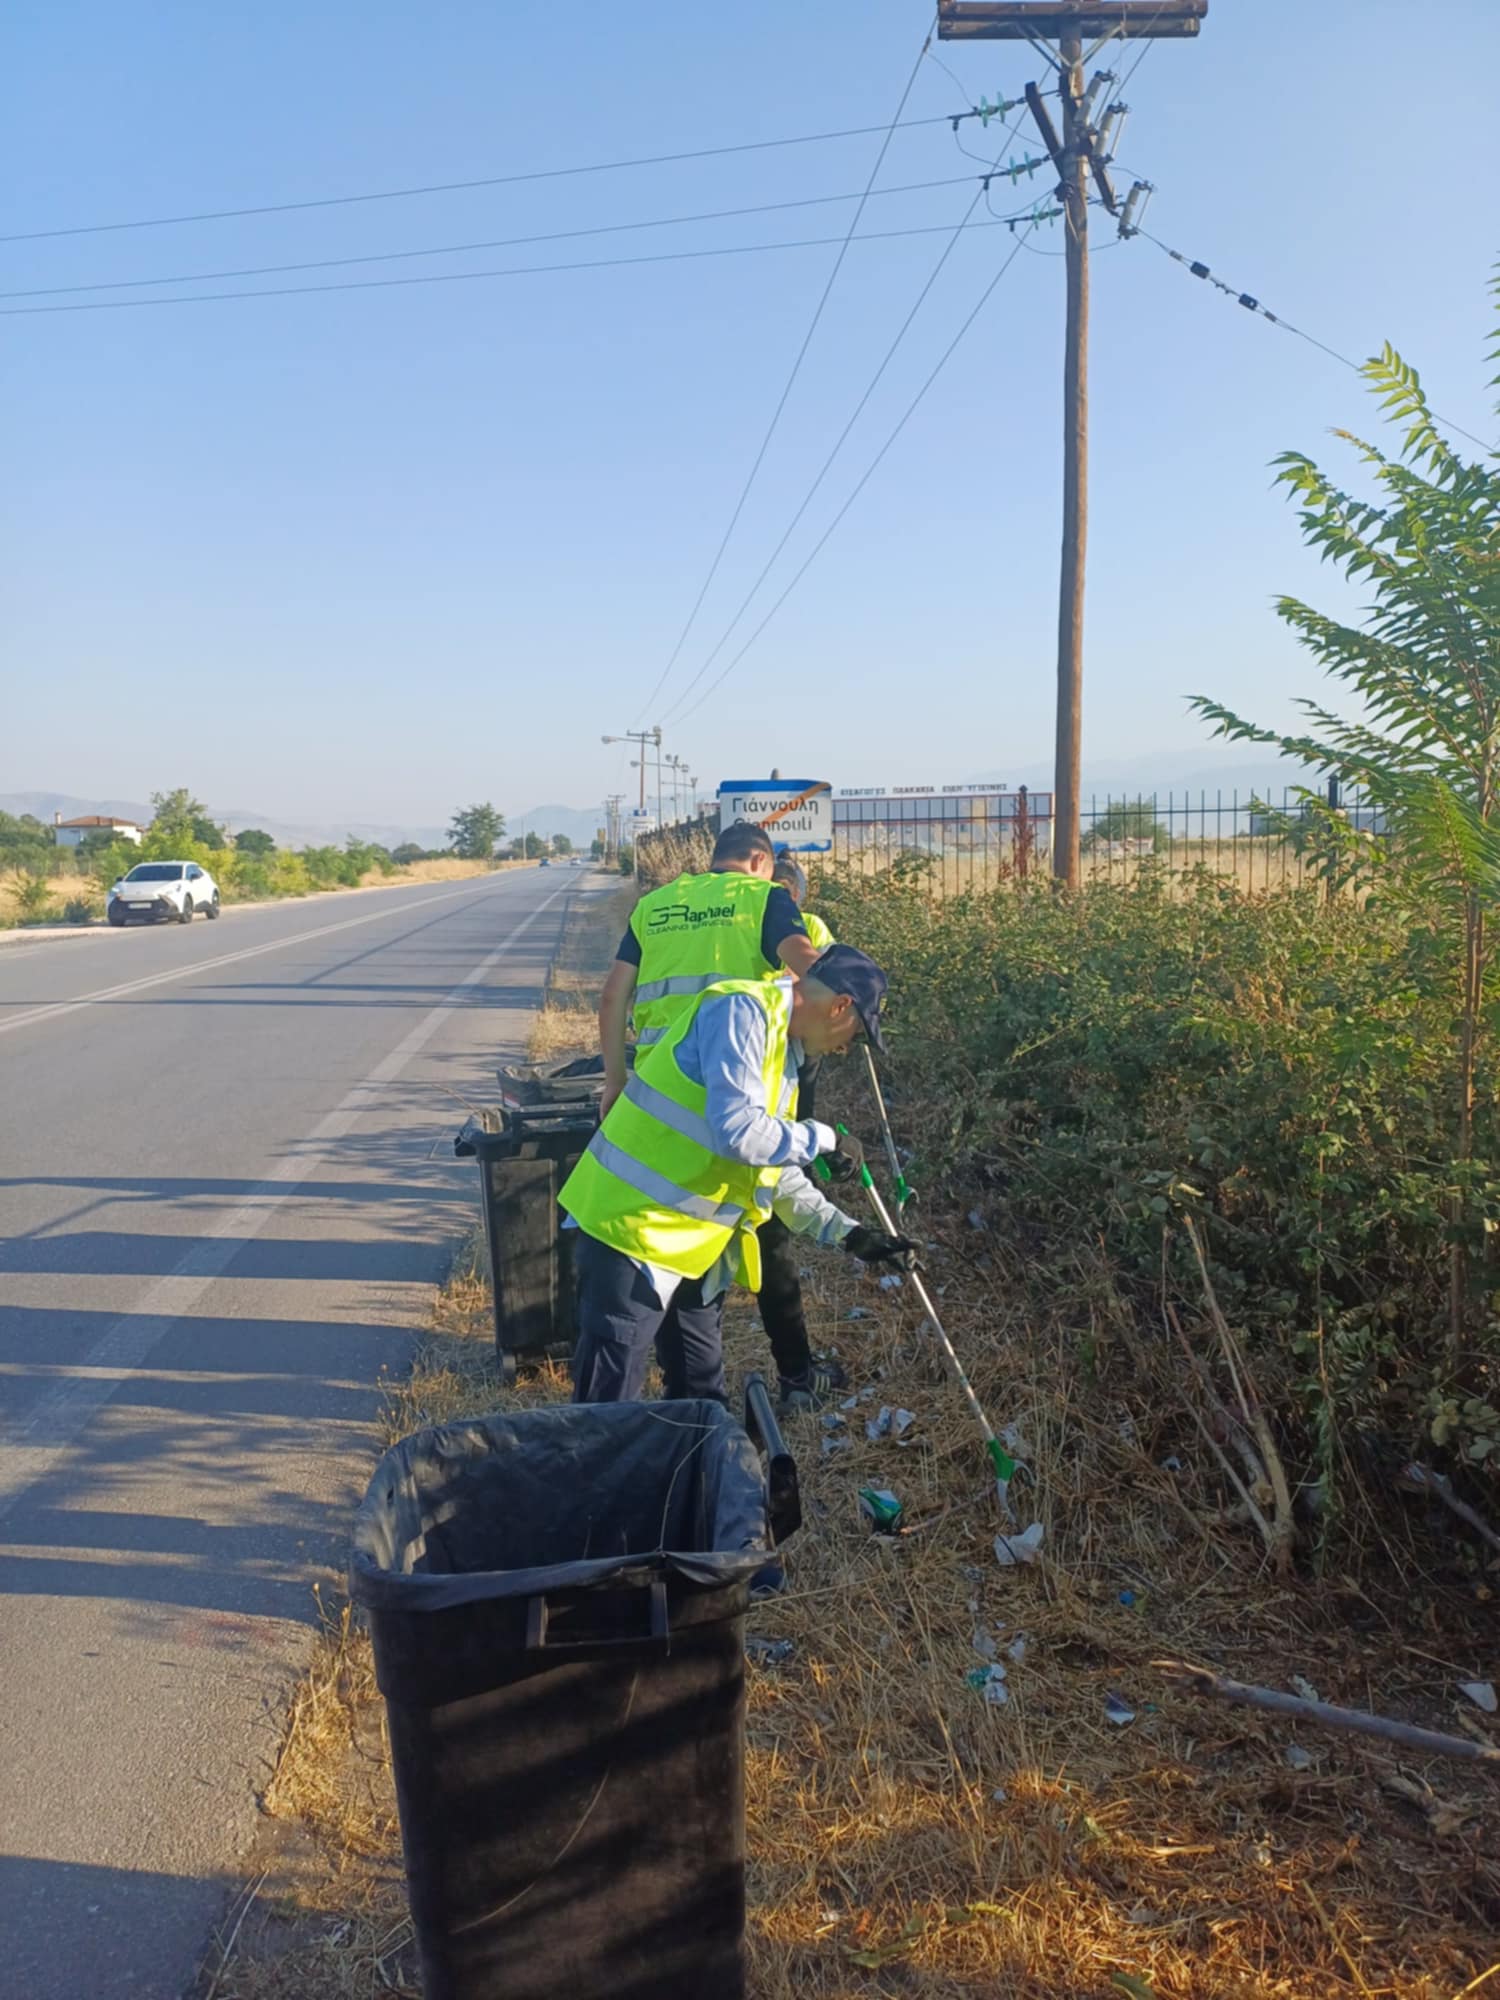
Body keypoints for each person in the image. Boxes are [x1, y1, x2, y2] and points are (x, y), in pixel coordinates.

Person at [562, 944, 916, 1406]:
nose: (846, 1048)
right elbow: (739, 1133)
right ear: (840, 1006)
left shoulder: (782, 1056)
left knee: (700, 1399)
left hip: (688, 1250)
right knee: (605, 1410)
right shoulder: (741, 1011)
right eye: (856, 1033)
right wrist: (824, 1137)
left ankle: (687, 1457)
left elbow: (770, 1172)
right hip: (628, 1231)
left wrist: (849, 1235)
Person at [597, 820, 823, 1119]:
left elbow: (612, 997)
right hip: (739, 1085)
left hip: (657, 1084)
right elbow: (816, 974)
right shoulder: (766, 897)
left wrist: (615, 1082)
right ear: (759, 860)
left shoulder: (652, 906)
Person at [762, 856, 844, 1411]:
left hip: (776, 1065)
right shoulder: (776, 925)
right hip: (768, 1074)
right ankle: (796, 1377)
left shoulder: (807, 928)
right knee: (770, 1239)